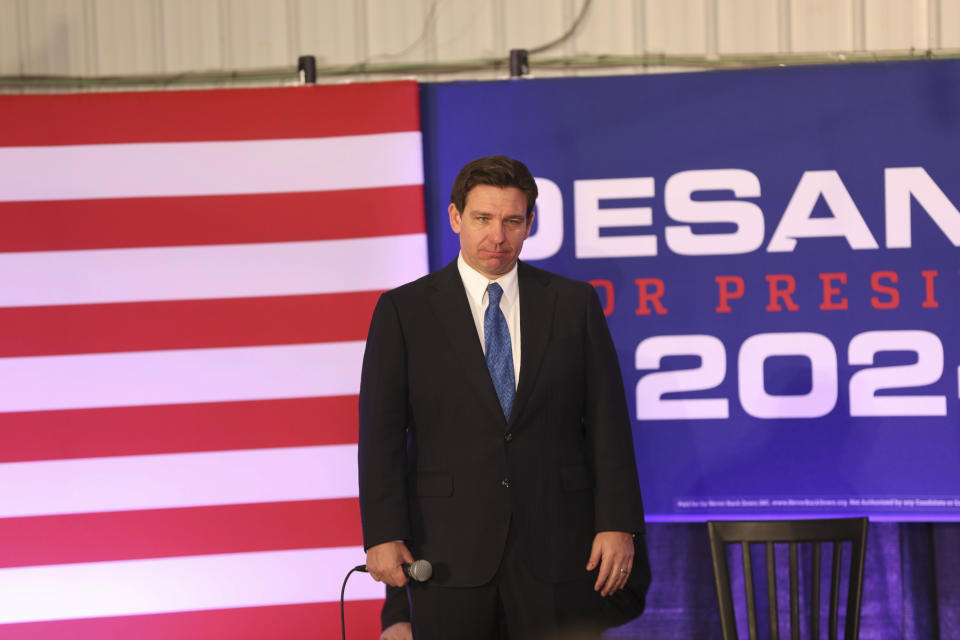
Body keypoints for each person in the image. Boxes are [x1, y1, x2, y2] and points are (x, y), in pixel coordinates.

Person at [358, 155, 646, 639]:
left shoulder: (574, 304)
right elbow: (380, 435)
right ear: (455, 218)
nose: (497, 236)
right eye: (483, 219)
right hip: (448, 552)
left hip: (558, 547)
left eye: (512, 221)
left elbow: (606, 423)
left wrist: (617, 522)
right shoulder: (403, 311)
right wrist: (383, 534)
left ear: (529, 224)